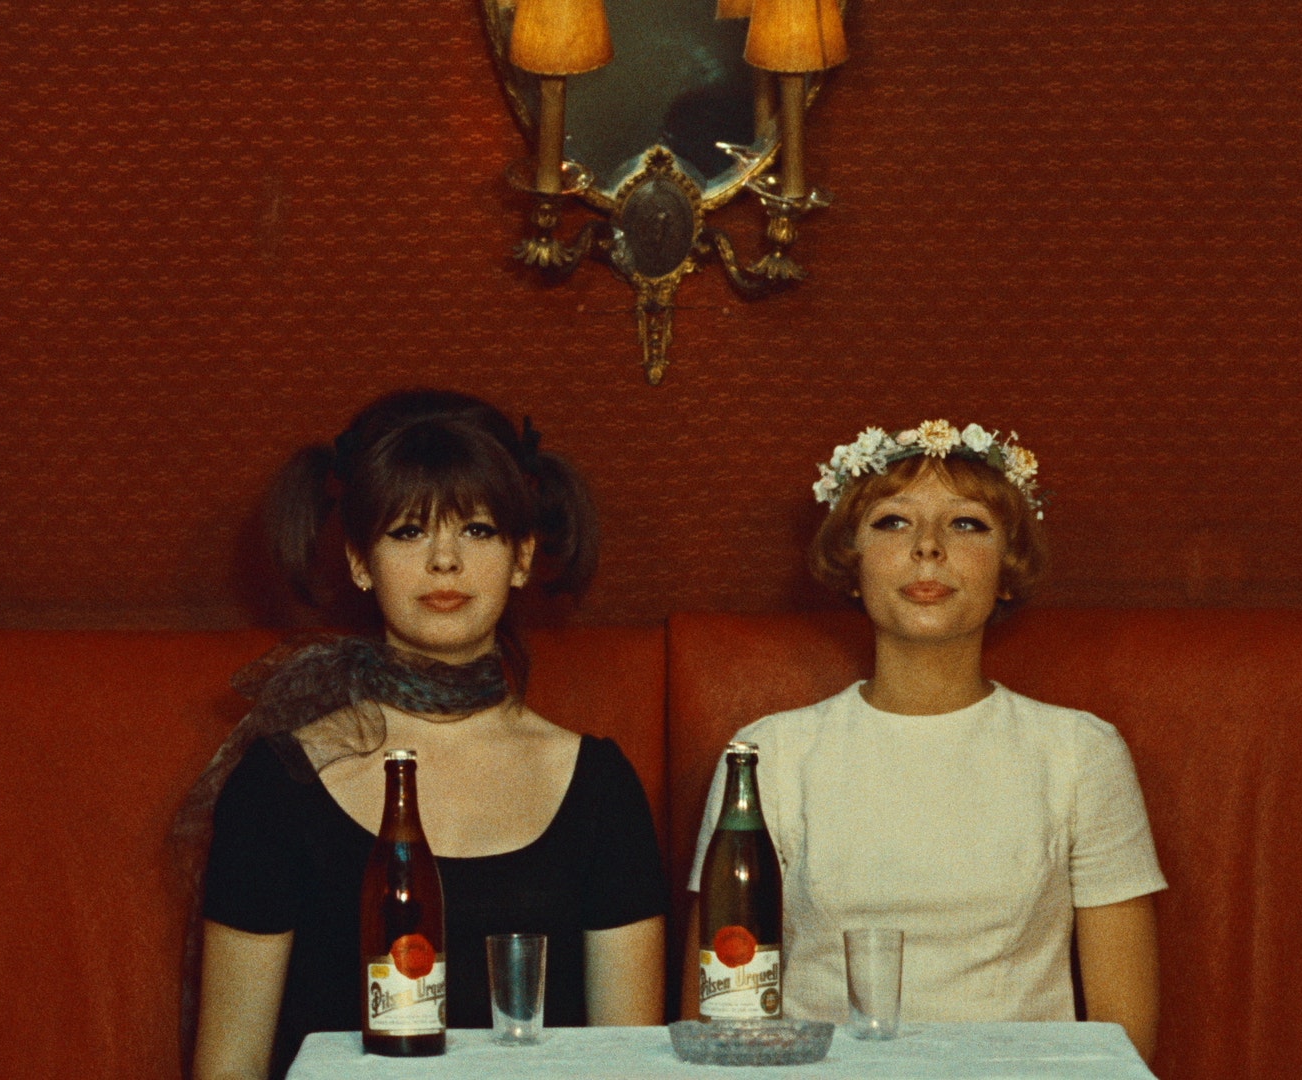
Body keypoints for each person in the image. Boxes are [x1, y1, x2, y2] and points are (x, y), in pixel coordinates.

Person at [175, 390, 668, 1080]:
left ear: (523, 557)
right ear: (357, 561)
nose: (444, 560)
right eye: (408, 532)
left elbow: (630, 1064)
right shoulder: (280, 781)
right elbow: (229, 1065)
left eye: (478, 530)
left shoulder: (598, 786)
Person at [683, 420, 1166, 1062]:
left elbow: (1123, 1034)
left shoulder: (1080, 752)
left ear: (1008, 569)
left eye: (966, 524)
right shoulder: (770, 755)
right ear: (852, 564)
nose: (928, 547)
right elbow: (718, 1020)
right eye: (892, 522)